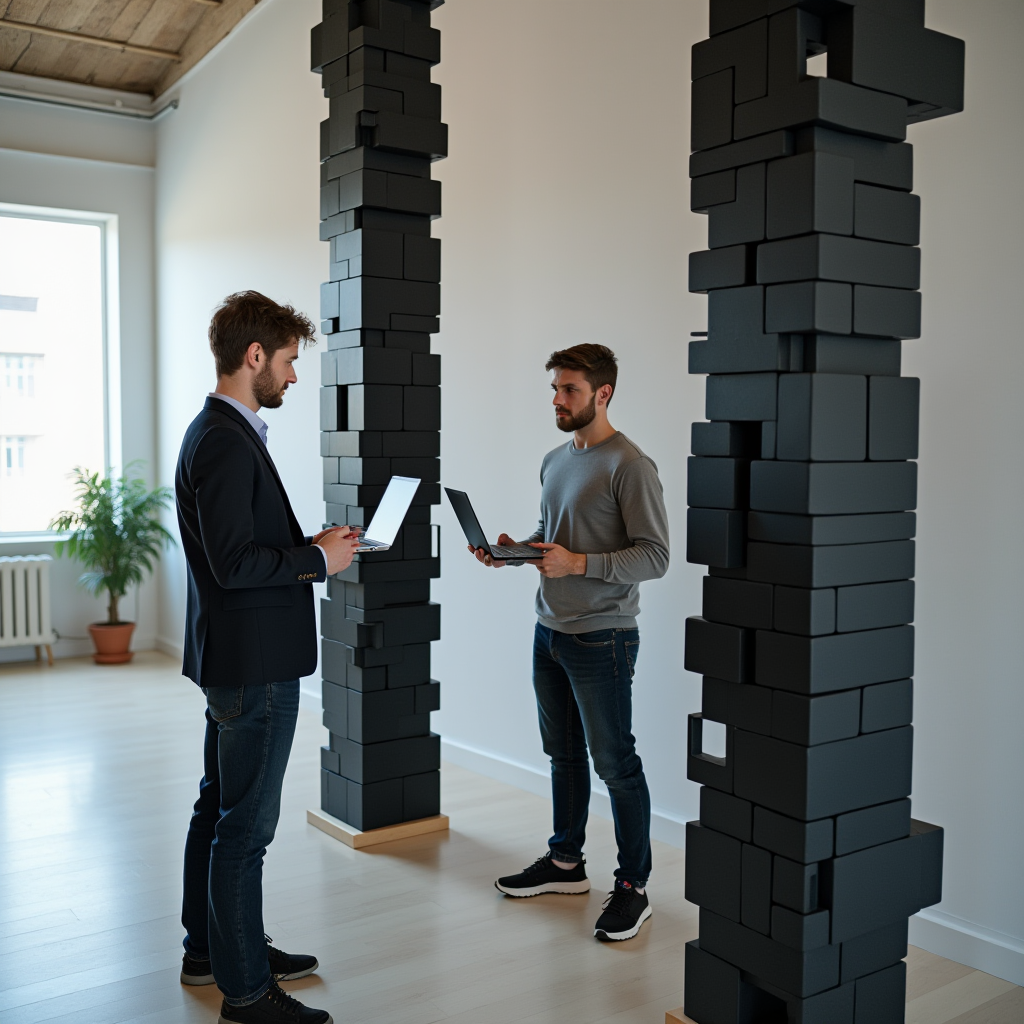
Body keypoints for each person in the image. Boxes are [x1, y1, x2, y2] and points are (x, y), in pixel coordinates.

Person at [176, 291, 359, 1024]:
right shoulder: (223, 437)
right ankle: (247, 991)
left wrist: (309, 547)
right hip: (254, 663)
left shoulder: (223, 430)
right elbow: (232, 563)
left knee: (216, 809)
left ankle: (215, 951)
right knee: (244, 828)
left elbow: (244, 548)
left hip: (239, 656)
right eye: (286, 361)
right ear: (255, 356)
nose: (291, 375)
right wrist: (316, 559)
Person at [471, 344, 669, 942]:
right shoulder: (556, 459)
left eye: (570, 390)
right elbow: (554, 539)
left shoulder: (630, 465)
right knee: (562, 754)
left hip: (603, 637)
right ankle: (565, 864)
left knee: (616, 764)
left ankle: (633, 887)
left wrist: (577, 561)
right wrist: (517, 552)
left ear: (603, 394)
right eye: (555, 389)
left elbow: (655, 557)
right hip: (549, 630)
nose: (557, 400)